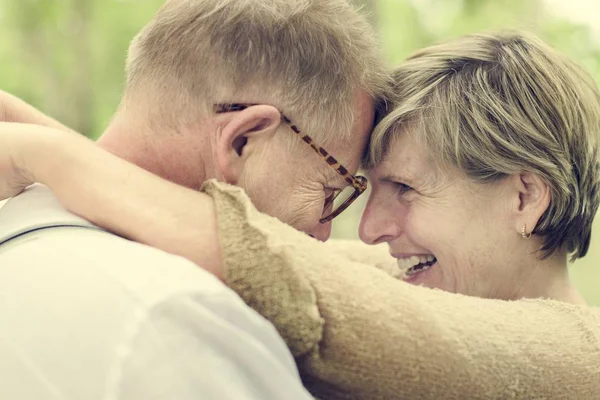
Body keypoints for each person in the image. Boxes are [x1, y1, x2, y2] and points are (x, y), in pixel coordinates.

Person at [2, 31, 600, 399]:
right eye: (367, 189)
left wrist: (46, 153)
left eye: (407, 189)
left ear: (524, 198)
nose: (368, 228)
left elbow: (295, 280)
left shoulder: (584, 359)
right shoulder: (405, 282)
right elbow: (279, 252)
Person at [0, 0, 390, 399]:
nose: (323, 233)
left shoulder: (18, 228)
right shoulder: (183, 318)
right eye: (329, 190)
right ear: (243, 141)